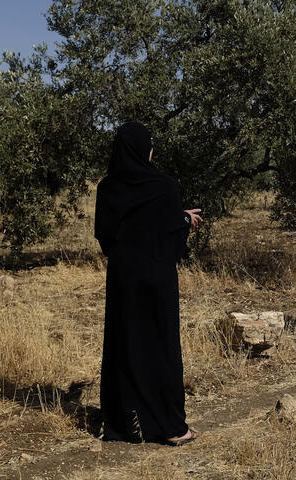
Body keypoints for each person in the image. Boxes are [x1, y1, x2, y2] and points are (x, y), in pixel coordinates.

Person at [94, 122, 203, 445]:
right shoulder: (164, 187)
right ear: (144, 149)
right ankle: (170, 428)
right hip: (156, 280)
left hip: (122, 280)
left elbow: (107, 237)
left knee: (125, 345)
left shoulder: (107, 188)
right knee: (160, 347)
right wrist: (183, 219)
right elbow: (169, 240)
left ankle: (125, 424)